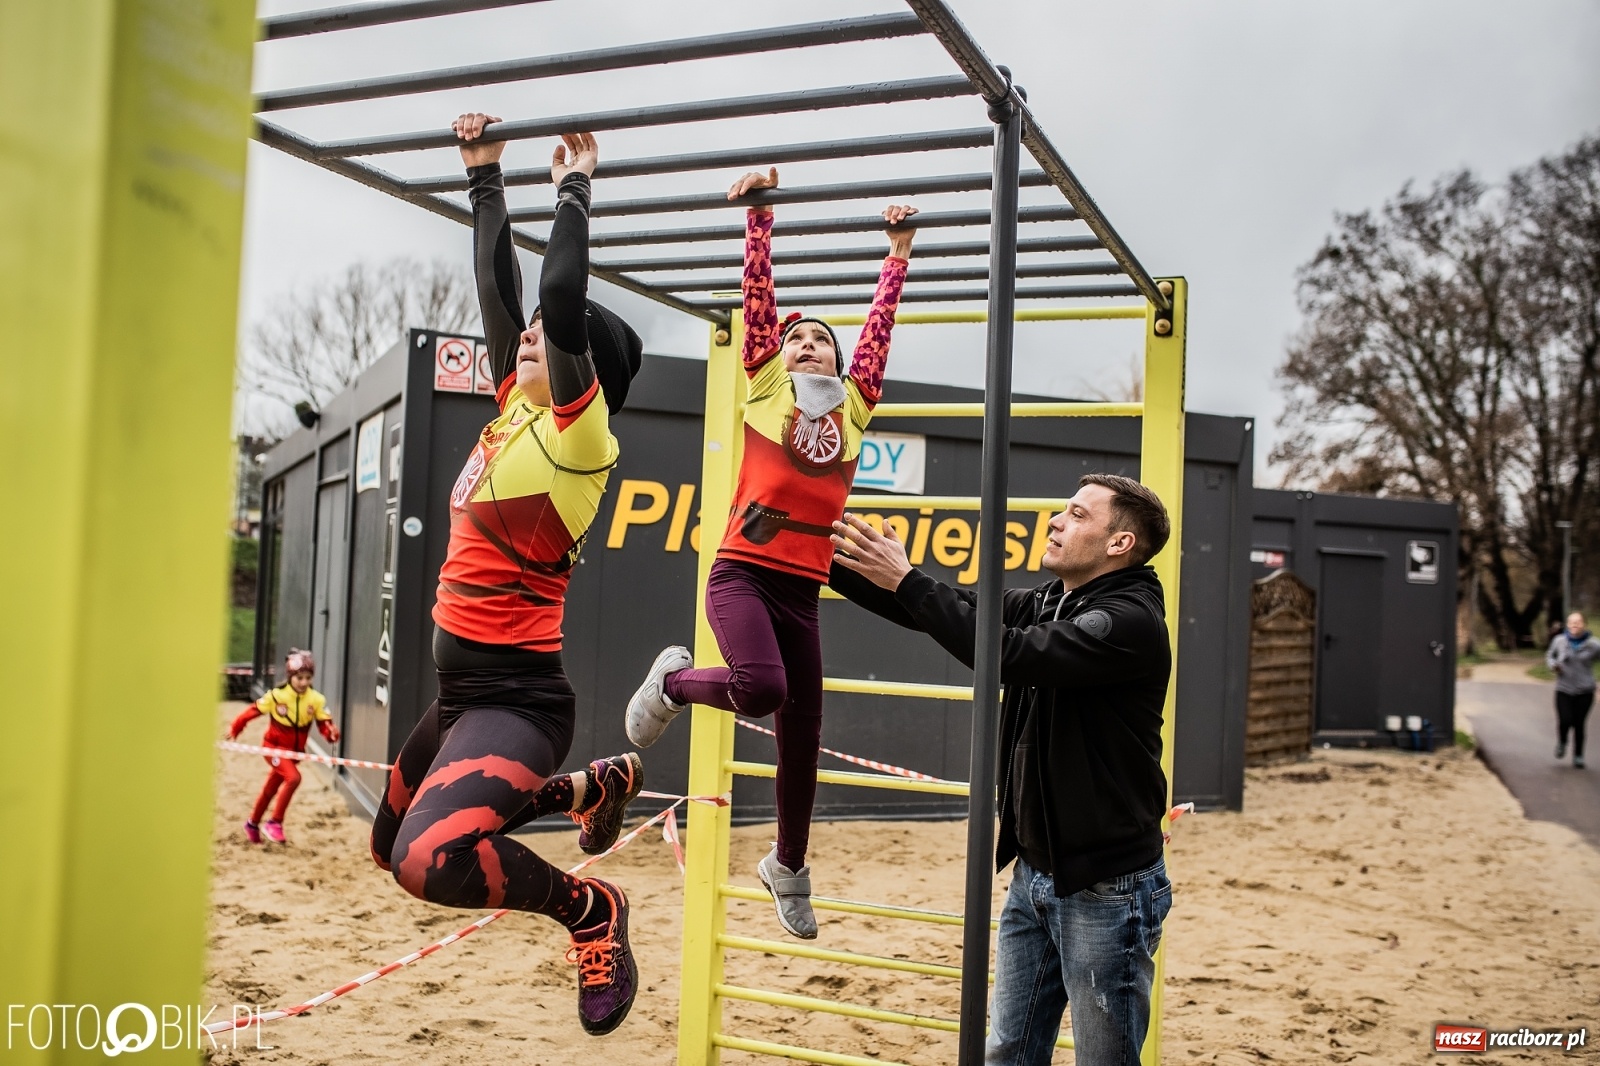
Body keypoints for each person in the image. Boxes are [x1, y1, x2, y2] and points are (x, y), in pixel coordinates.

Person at [367, 114, 645, 1037]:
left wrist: (574, 190)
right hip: (462, 693)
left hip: (519, 700)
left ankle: (591, 914)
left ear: (584, 371)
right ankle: (584, 792)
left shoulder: (579, 440)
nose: (528, 338)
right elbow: (507, 296)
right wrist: (484, 178)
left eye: (546, 340)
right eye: (525, 338)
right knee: (386, 846)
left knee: (429, 861)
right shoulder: (509, 418)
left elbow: (559, 300)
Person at [623, 166, 917, 940]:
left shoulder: (854, 407)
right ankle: (675, 683)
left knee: (803, 733)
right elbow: (759, 300)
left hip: (801, 588)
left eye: (820, 339)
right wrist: (760, 214)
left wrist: (898, 254)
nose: (806, 344)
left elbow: (879, 332)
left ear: (839, 360)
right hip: (743, 573)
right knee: (759, 688)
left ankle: (789, 863)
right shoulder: (763, 389)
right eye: (796, 338)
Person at [828, 474, 1175, 1066]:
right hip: (1035, 875)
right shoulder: (1050, 600)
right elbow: (951, 610)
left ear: (1119, 544)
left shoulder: (1129, 622)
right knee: (1008, 1052)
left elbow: (1008, 655)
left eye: (1076, 514)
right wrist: (819, 560)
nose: (1056, 521)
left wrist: (908, 580)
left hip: (1106, 887)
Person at [228, 649, 340, 844]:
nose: (304, 682)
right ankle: (275, 823)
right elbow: (251, 712)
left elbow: (325, 725)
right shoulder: (276, 696)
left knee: (270, 788)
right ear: (290, 677)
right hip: (273, 748)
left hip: (294, 754)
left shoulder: (316, 699)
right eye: (299, 678)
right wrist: (236, 727)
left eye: (308, 678)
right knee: (294, 778)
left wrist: (331, 734)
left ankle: (252, 823)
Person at [1547, 611, 1599, 769]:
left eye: (1578, 622)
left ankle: (1578, 755)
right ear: (1567, 625)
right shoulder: (1560, 641)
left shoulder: (1593, 645)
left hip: (1585, 690)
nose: (1574, 625)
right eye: (1571, 622)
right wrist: (1553, 665)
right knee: (1565, 720)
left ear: (1584, 624)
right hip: (1564, 689)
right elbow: (1550, 655)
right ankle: (1562, 741)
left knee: (1579, 723)